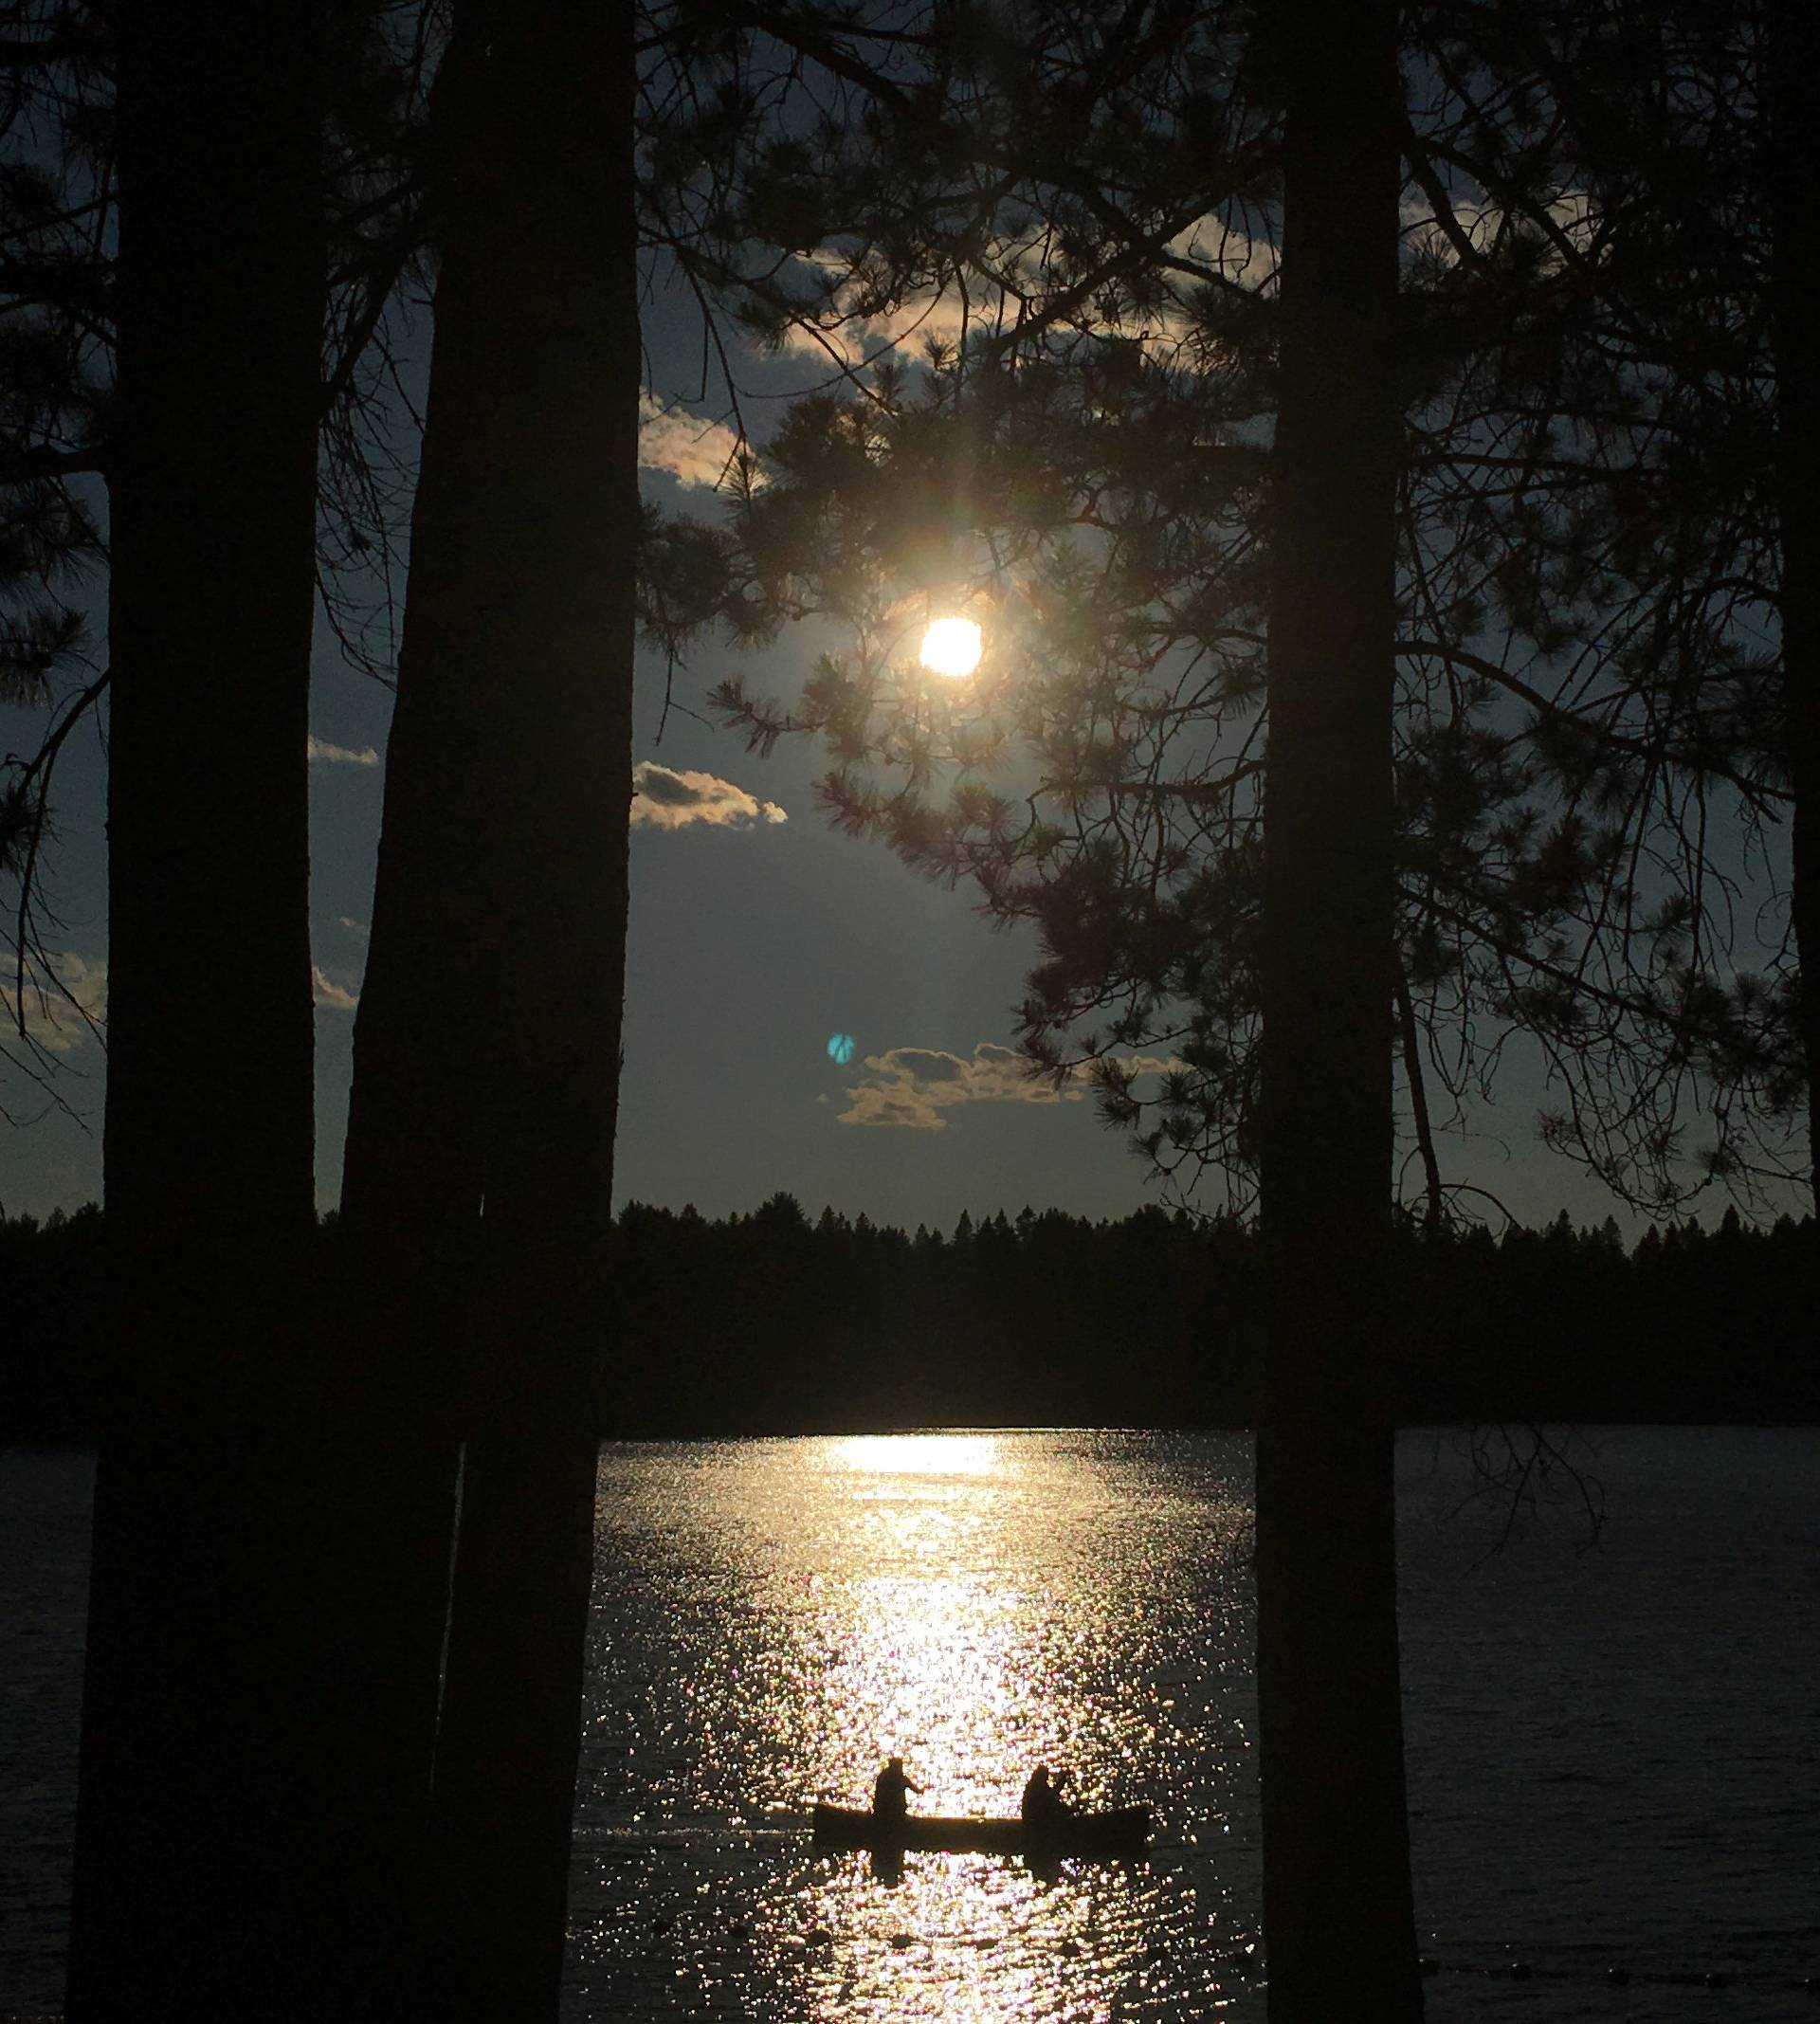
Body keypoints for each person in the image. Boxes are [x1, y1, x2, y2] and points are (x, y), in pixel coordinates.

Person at [1021, 1762, 1072, 1830]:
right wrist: (1063, 1780)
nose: (1047, 1776)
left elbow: (1052, 1792)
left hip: (1032, 1815)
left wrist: (1063, 1780)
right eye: (1046, 1774)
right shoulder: (1038, 1785)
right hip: (1034, 1816)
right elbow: (1052, 1794)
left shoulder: (1035, 1784)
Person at [872, 1755, 919, 1822]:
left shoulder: (882, 1775)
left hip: (880, 1809)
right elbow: (916, 1790)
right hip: (894, 1810)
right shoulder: (900, 1779)